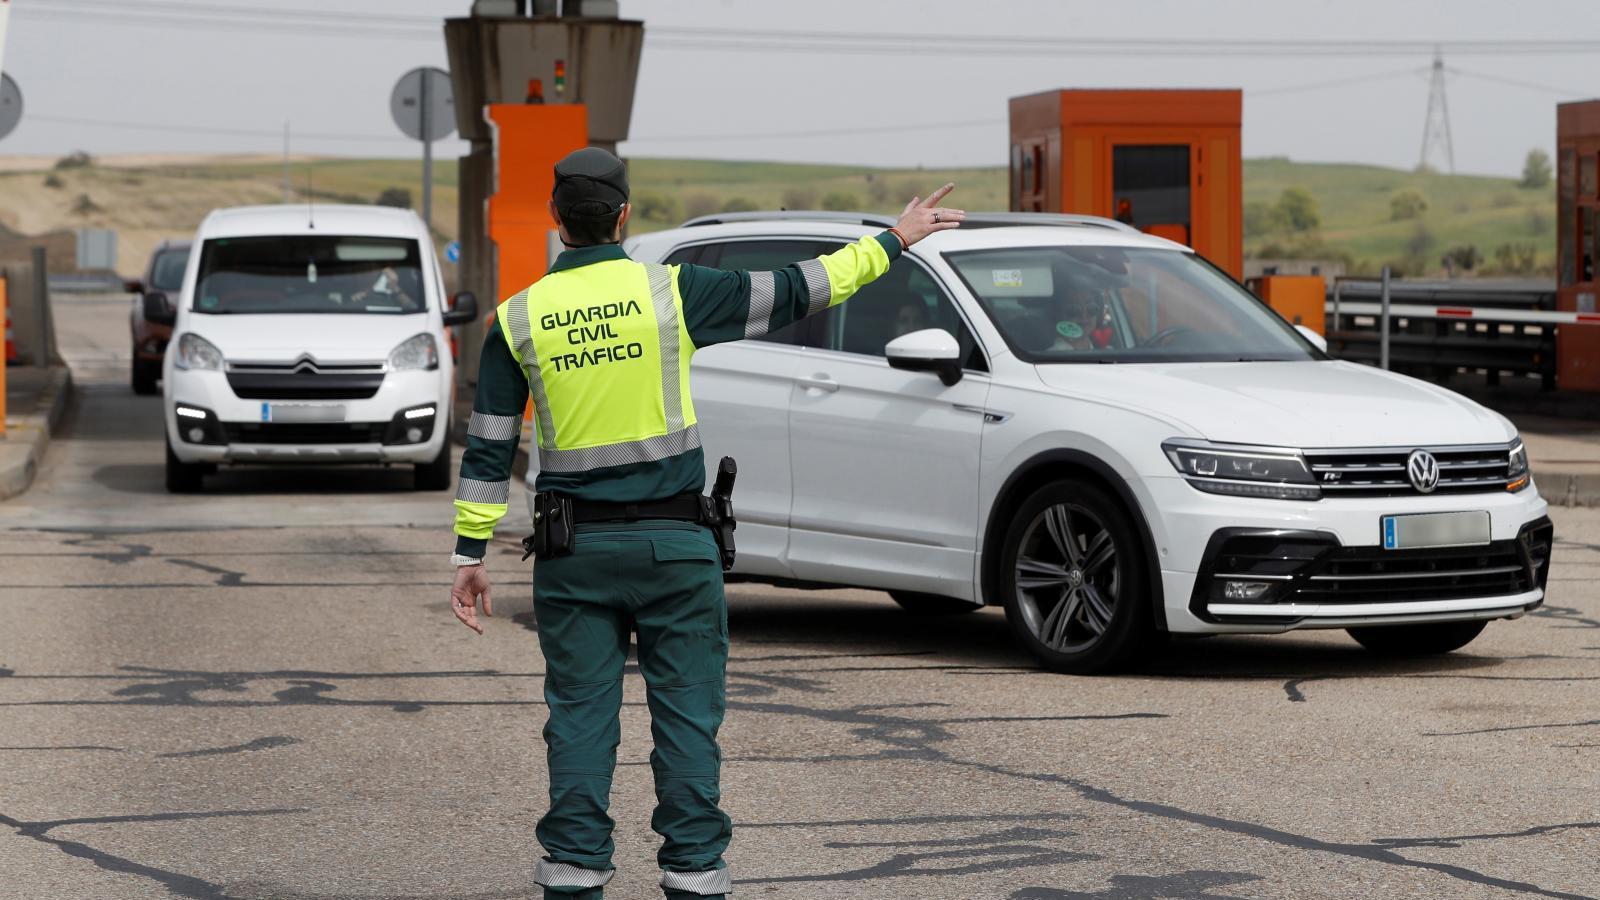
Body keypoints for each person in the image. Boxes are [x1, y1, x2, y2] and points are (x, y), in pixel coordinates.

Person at [446, 147, 963, 900]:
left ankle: (574, 870)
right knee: (686, 717)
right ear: (624, 214)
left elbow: (489, 447)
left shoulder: (516, 319)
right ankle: (693, 874)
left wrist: (468, 553)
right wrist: (894, 239)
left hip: (573, 551)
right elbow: (800, 289)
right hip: (675, 550)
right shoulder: (675, 294)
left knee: (580, 718)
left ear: (557, 220)